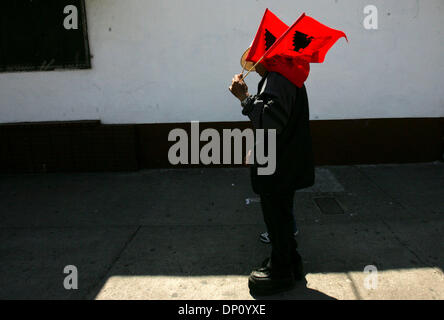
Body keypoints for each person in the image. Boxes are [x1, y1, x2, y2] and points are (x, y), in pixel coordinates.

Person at [229, 56, 315, 295]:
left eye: (255, 60)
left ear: (267, 59)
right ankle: (290, 262)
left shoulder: (276, 80)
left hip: (277, 166)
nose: (253, 67)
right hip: (284, 162)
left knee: (276, 216)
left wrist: (244, 99)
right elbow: (273, 116)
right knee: (283, 215)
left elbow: (268, 123)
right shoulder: (284, 77)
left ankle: (281, 271)